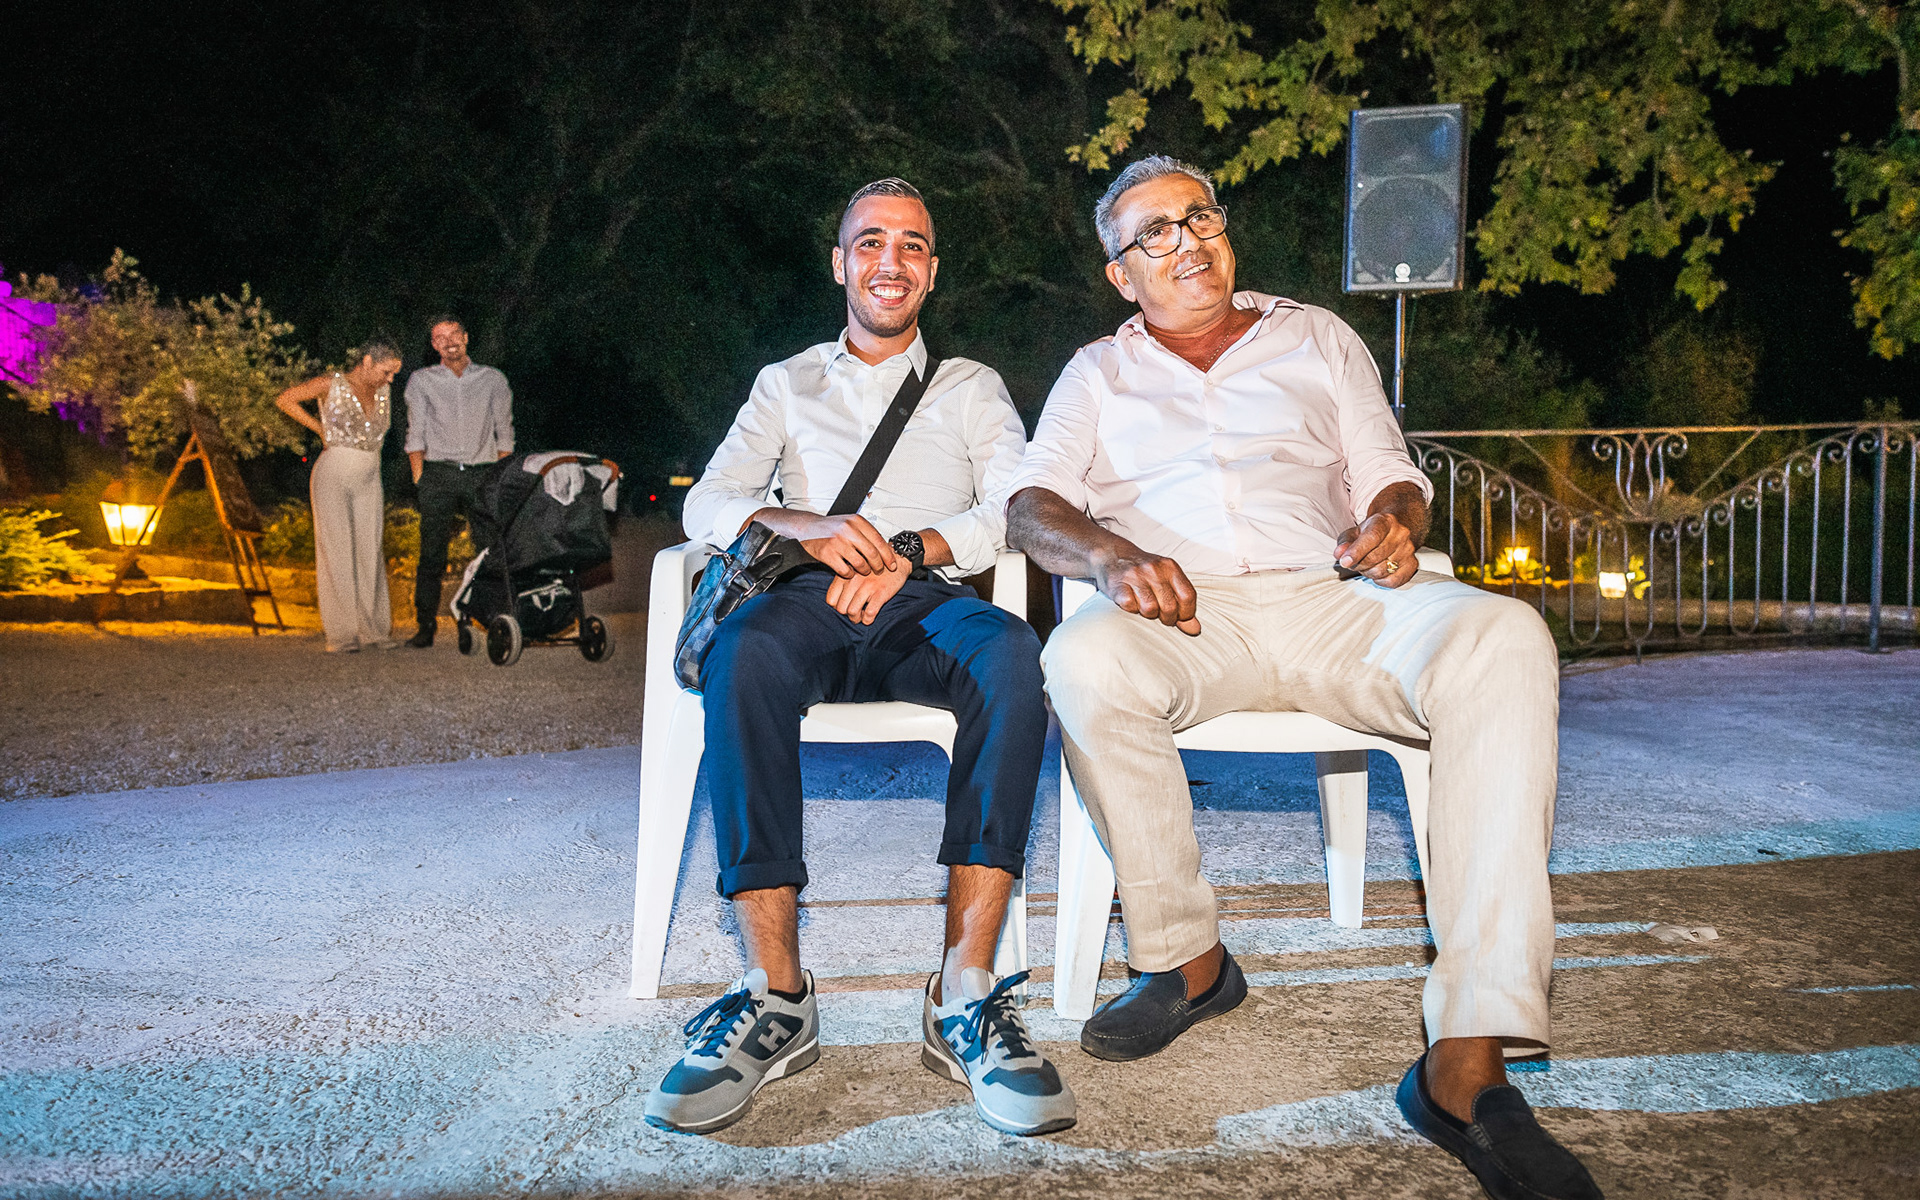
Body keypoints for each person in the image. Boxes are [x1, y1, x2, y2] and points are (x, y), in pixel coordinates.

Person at [1005, 156, 1602, 1200]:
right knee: (1081, 656)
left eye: (1200, 217)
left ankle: (1467, 1059)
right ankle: (1187, 960)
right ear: (1120, 275)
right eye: (1155, 233)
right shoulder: (1096, 373)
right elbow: (1029, 508)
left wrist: (1394, 521)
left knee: (1505, 636)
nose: (1188, 241)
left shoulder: (1316, 335)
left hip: (1338, 596)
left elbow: (1392, 472)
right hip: (1187, 611)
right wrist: (1109, 555)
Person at [646, 178, 1073, 1139]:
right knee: (742, 655)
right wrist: (808, 526)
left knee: (1013, 655)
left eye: (912, 245)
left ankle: (965, 991)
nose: (891, 260)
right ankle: (775, 994)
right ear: (841, 264)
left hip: (925, 600)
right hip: (803, 600)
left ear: (932, 271)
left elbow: (1012, 507)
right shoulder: (786, 383)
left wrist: (908, 552)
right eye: (871, 243)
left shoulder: (971, 386)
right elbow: (707, 502)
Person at [275, 340, 405, 653]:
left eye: (394, 374)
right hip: (333, 471)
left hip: (370, 474)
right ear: (368, 361)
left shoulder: (383, 393)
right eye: (387, 372)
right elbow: (285, 399)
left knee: (370, 549)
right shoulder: (331, 384)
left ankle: (373, 630)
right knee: (337, 549)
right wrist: (319, 428)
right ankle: (342, 634)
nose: (390, 379)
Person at [402, 315, 513, 647]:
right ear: (434, 345)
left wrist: (500, 477)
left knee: (489, 549)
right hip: (439, 472)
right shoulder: (421, 381)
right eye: (440, 337)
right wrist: (420, 478)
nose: (449, 342)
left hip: (482, 472)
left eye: (454, 334)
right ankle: (425, 625)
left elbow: (505, 431)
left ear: (465, 337)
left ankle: (495, 619)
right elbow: (415, 432)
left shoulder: (492, 379)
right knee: (432, 551)